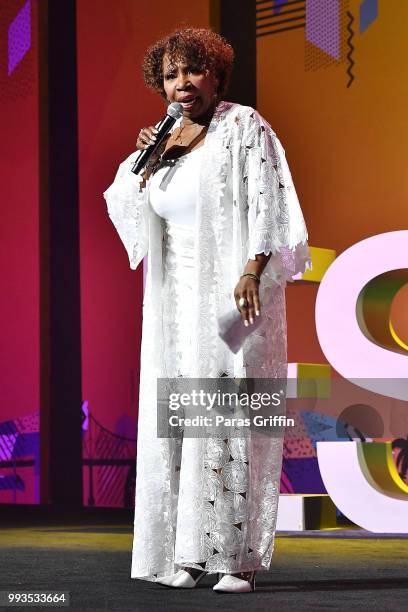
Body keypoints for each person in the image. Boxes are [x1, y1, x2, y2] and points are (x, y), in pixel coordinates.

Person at [103, 27, 311, 594]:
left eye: (193, 70)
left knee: (226, 416)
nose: (182, 84)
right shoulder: (164, 140)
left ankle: (234, 555)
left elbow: (269, 199)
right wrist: (146, 162)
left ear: (217, 75)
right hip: (173, 300)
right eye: (171, 75)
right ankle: (188, 553)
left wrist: (251, 270)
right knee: (181, 421)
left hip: (228, 291)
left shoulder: (243, 126)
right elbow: (123, 204)